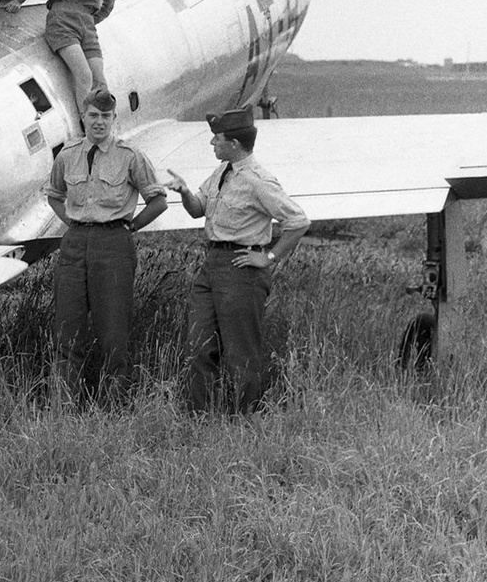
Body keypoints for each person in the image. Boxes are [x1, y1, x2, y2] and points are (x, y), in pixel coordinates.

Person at [165, 106, 311, 414]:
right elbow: (197, 209)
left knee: (241, 351)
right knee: (197, 344)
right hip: (212, 264)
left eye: (216, 139)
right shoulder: (222, 171)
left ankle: (245, 419)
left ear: (234, 144)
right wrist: (184, 191)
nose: (212, 144)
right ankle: (199, 417)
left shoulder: (259, 181)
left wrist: (268, 257)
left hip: (241, 268)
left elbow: (297, 221)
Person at [43, 88, 168, 404]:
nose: (99, 122)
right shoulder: (67, 155)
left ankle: (110, 407)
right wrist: (72, 223)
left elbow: (158, 201)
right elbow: (54, 195)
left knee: (113, 332)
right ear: (82, 117)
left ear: (114, 119)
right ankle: (63, 406)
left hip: (113, 243)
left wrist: (130, 227)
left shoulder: (130, 156)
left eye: (106, 116)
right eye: (93, 115)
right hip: (74, 245)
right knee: (66, 329)